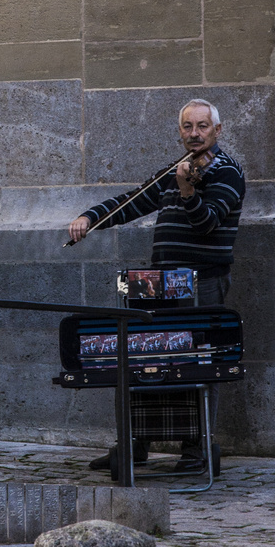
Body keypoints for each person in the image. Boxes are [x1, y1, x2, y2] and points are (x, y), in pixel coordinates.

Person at [68, 99, 244, 473]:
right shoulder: (176, 170)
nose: (194, 134)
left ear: (217, 130)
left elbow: (208, 224)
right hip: (159, 283)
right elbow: (130, 203)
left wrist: (187, 191)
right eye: (187, 127)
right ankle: (137, 442)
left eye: (202, 126)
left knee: (201, 364)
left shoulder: (227, 172)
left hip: (202, 280)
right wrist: (90, 217)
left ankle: (198, 448)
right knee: (145, 359)